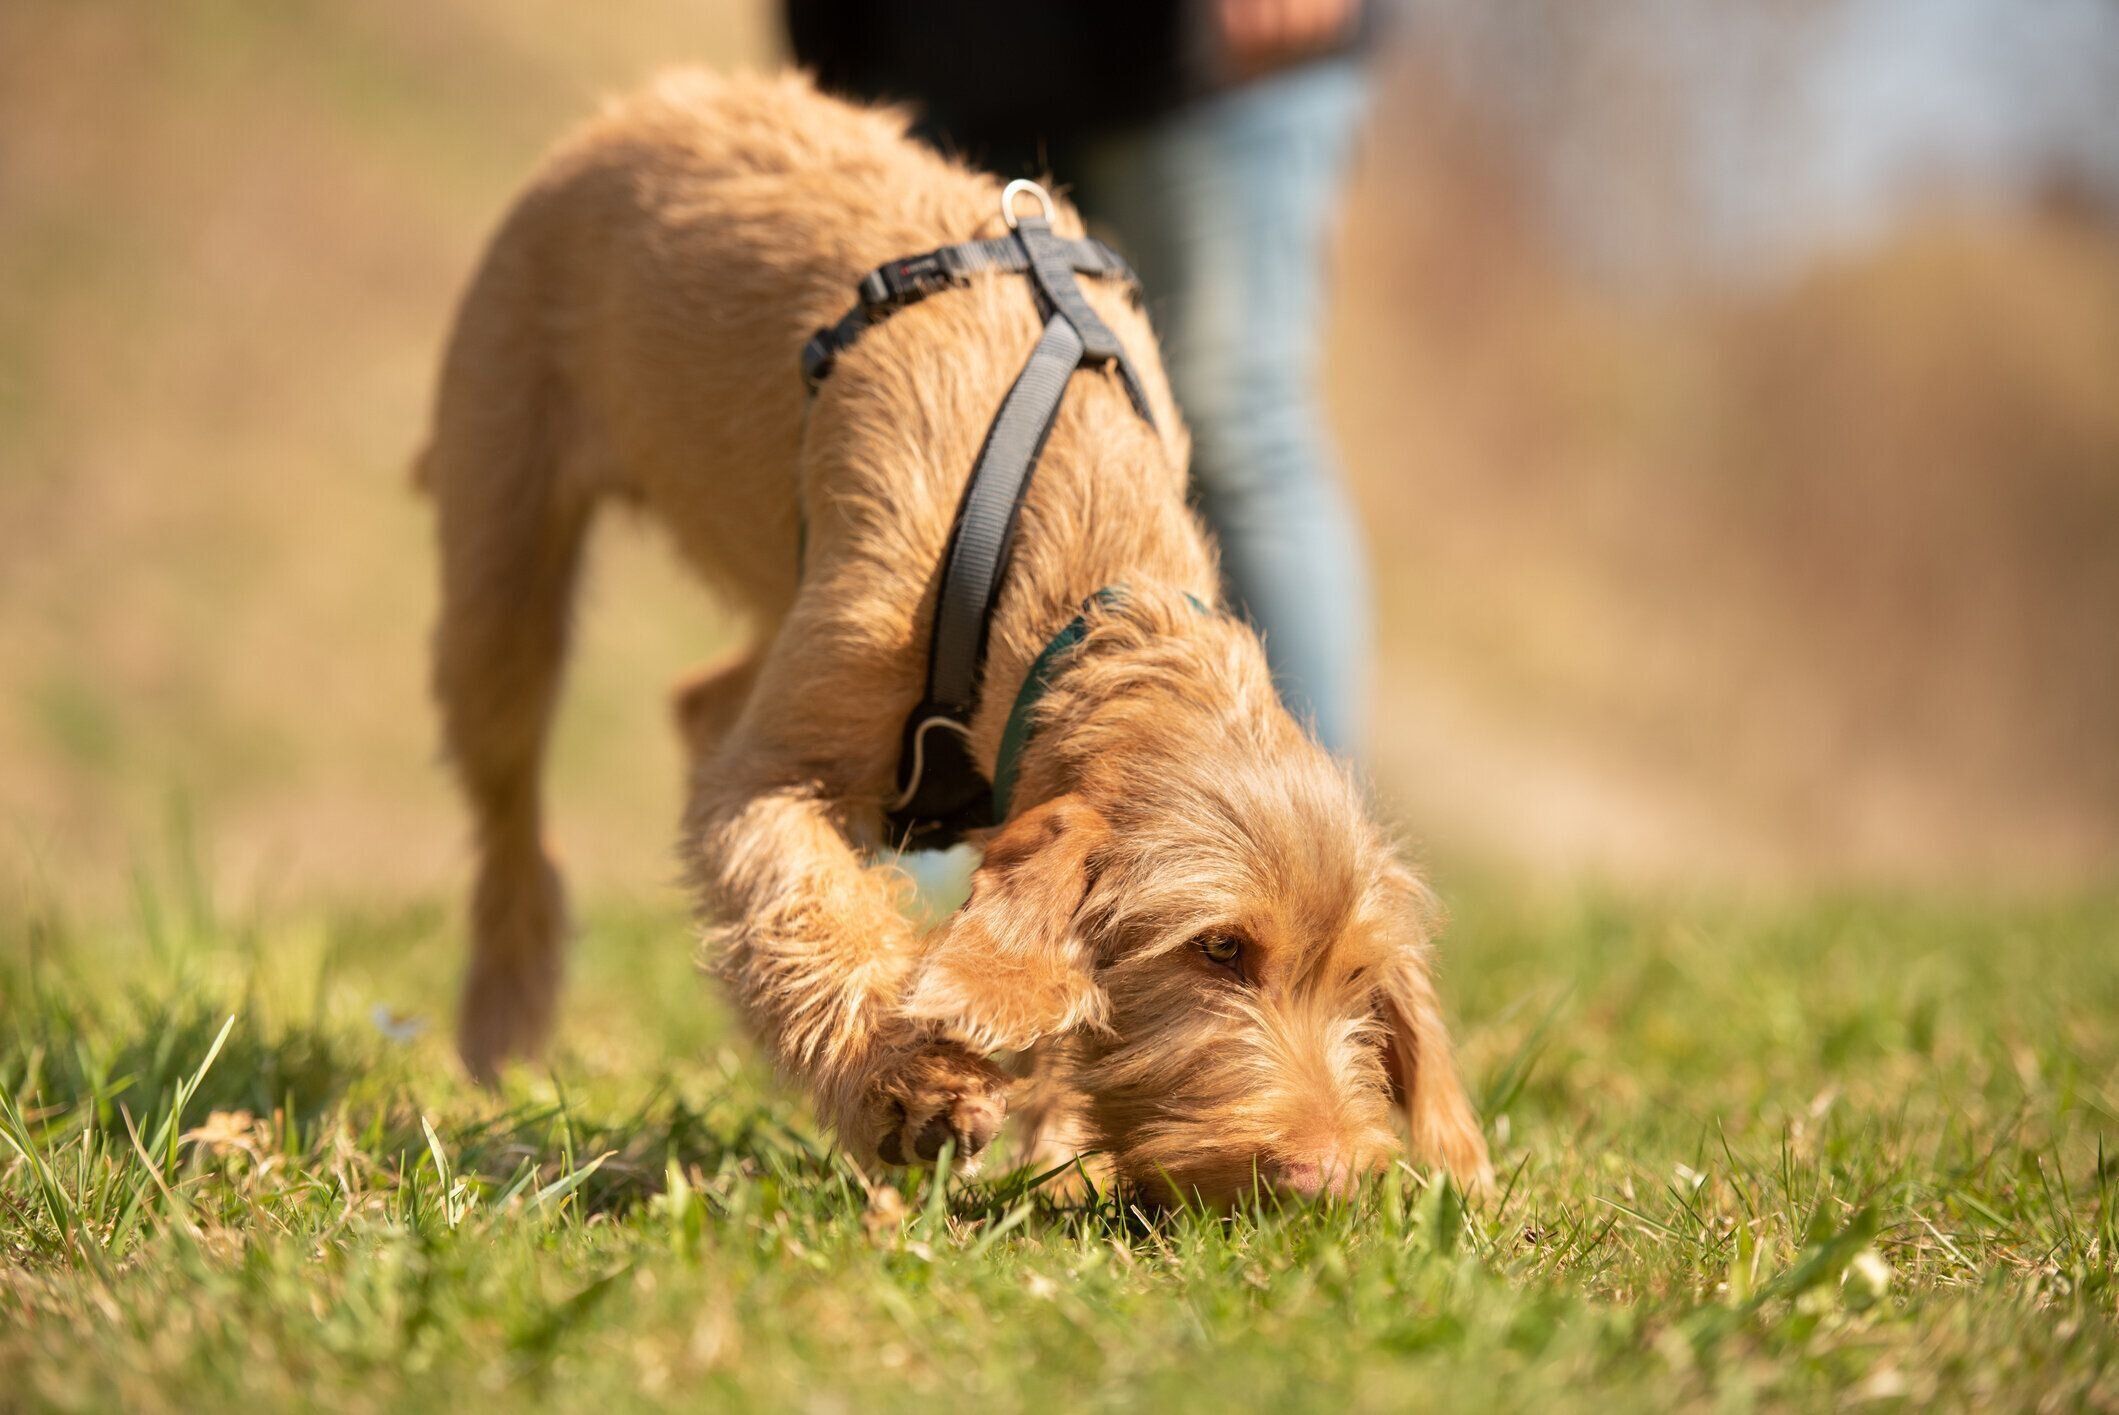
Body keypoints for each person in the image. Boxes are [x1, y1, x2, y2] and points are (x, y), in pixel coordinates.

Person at [788, 0, 1375, 757]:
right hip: (932, 56)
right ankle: (901, 852)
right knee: (922, 460)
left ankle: (1306, 851)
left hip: (1210, 70)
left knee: (1236, 427)